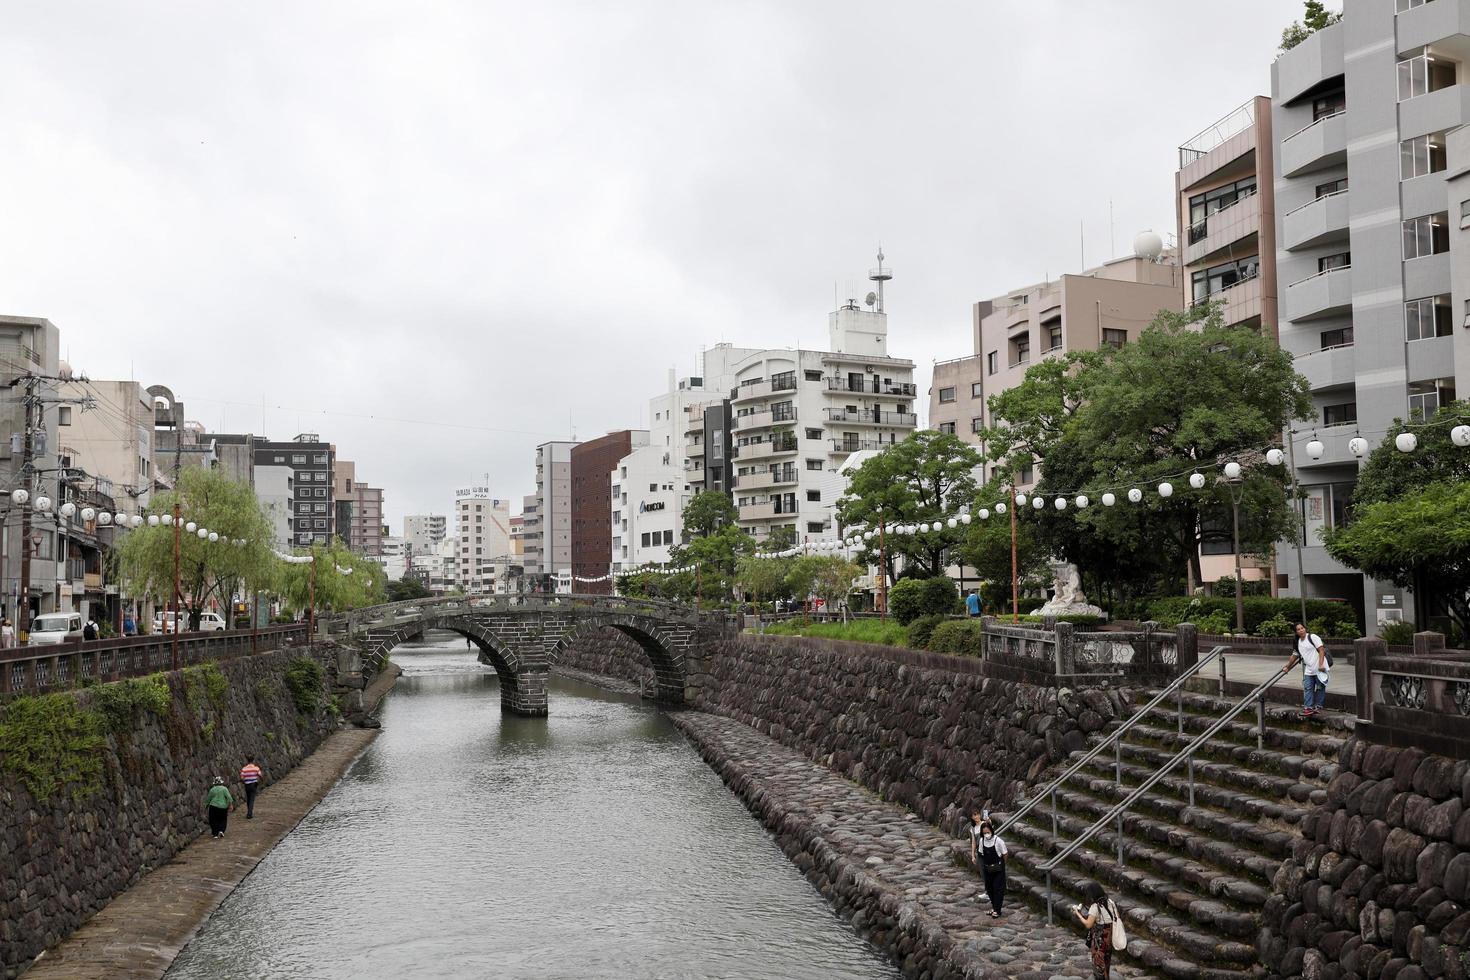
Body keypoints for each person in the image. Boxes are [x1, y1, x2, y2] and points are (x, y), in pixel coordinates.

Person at [968, 801, 1007, 918]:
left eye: (977, 814)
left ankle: (997, 910)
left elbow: (1005, 853)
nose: (976, 816)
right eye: (973, 815)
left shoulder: (995, 837)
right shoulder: (974, 830)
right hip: (985, 859)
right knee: (988, 883)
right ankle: (993, 904)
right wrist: (973, 855)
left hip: (997, 863)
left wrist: (1002, 862)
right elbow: (974, 843)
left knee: (997, 887)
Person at [1072, 879, 1118, 979]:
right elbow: (1114, 917)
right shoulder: (1110, 902)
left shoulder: (1095, 907)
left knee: (1098, 964)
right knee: (1106, 961)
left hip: (1099, 939)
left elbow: (1088, 924)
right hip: (1109, 938)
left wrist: (1078, 914)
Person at [1284, 622, 1330, 719]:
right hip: (1309, 669)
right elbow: (1294, 656)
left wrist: (1321, 665)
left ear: (1305, 628)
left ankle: (1317, 706)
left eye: (1302, 628)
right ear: (1296, 632)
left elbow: (1321, 650)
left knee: (1320, 687)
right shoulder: (1298, 642)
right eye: (1298, 629)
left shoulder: (1312, 637)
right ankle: (1308, 708)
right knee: (1308, 687)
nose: (1301, 630)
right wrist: (1287, 666)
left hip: (1319, 667)